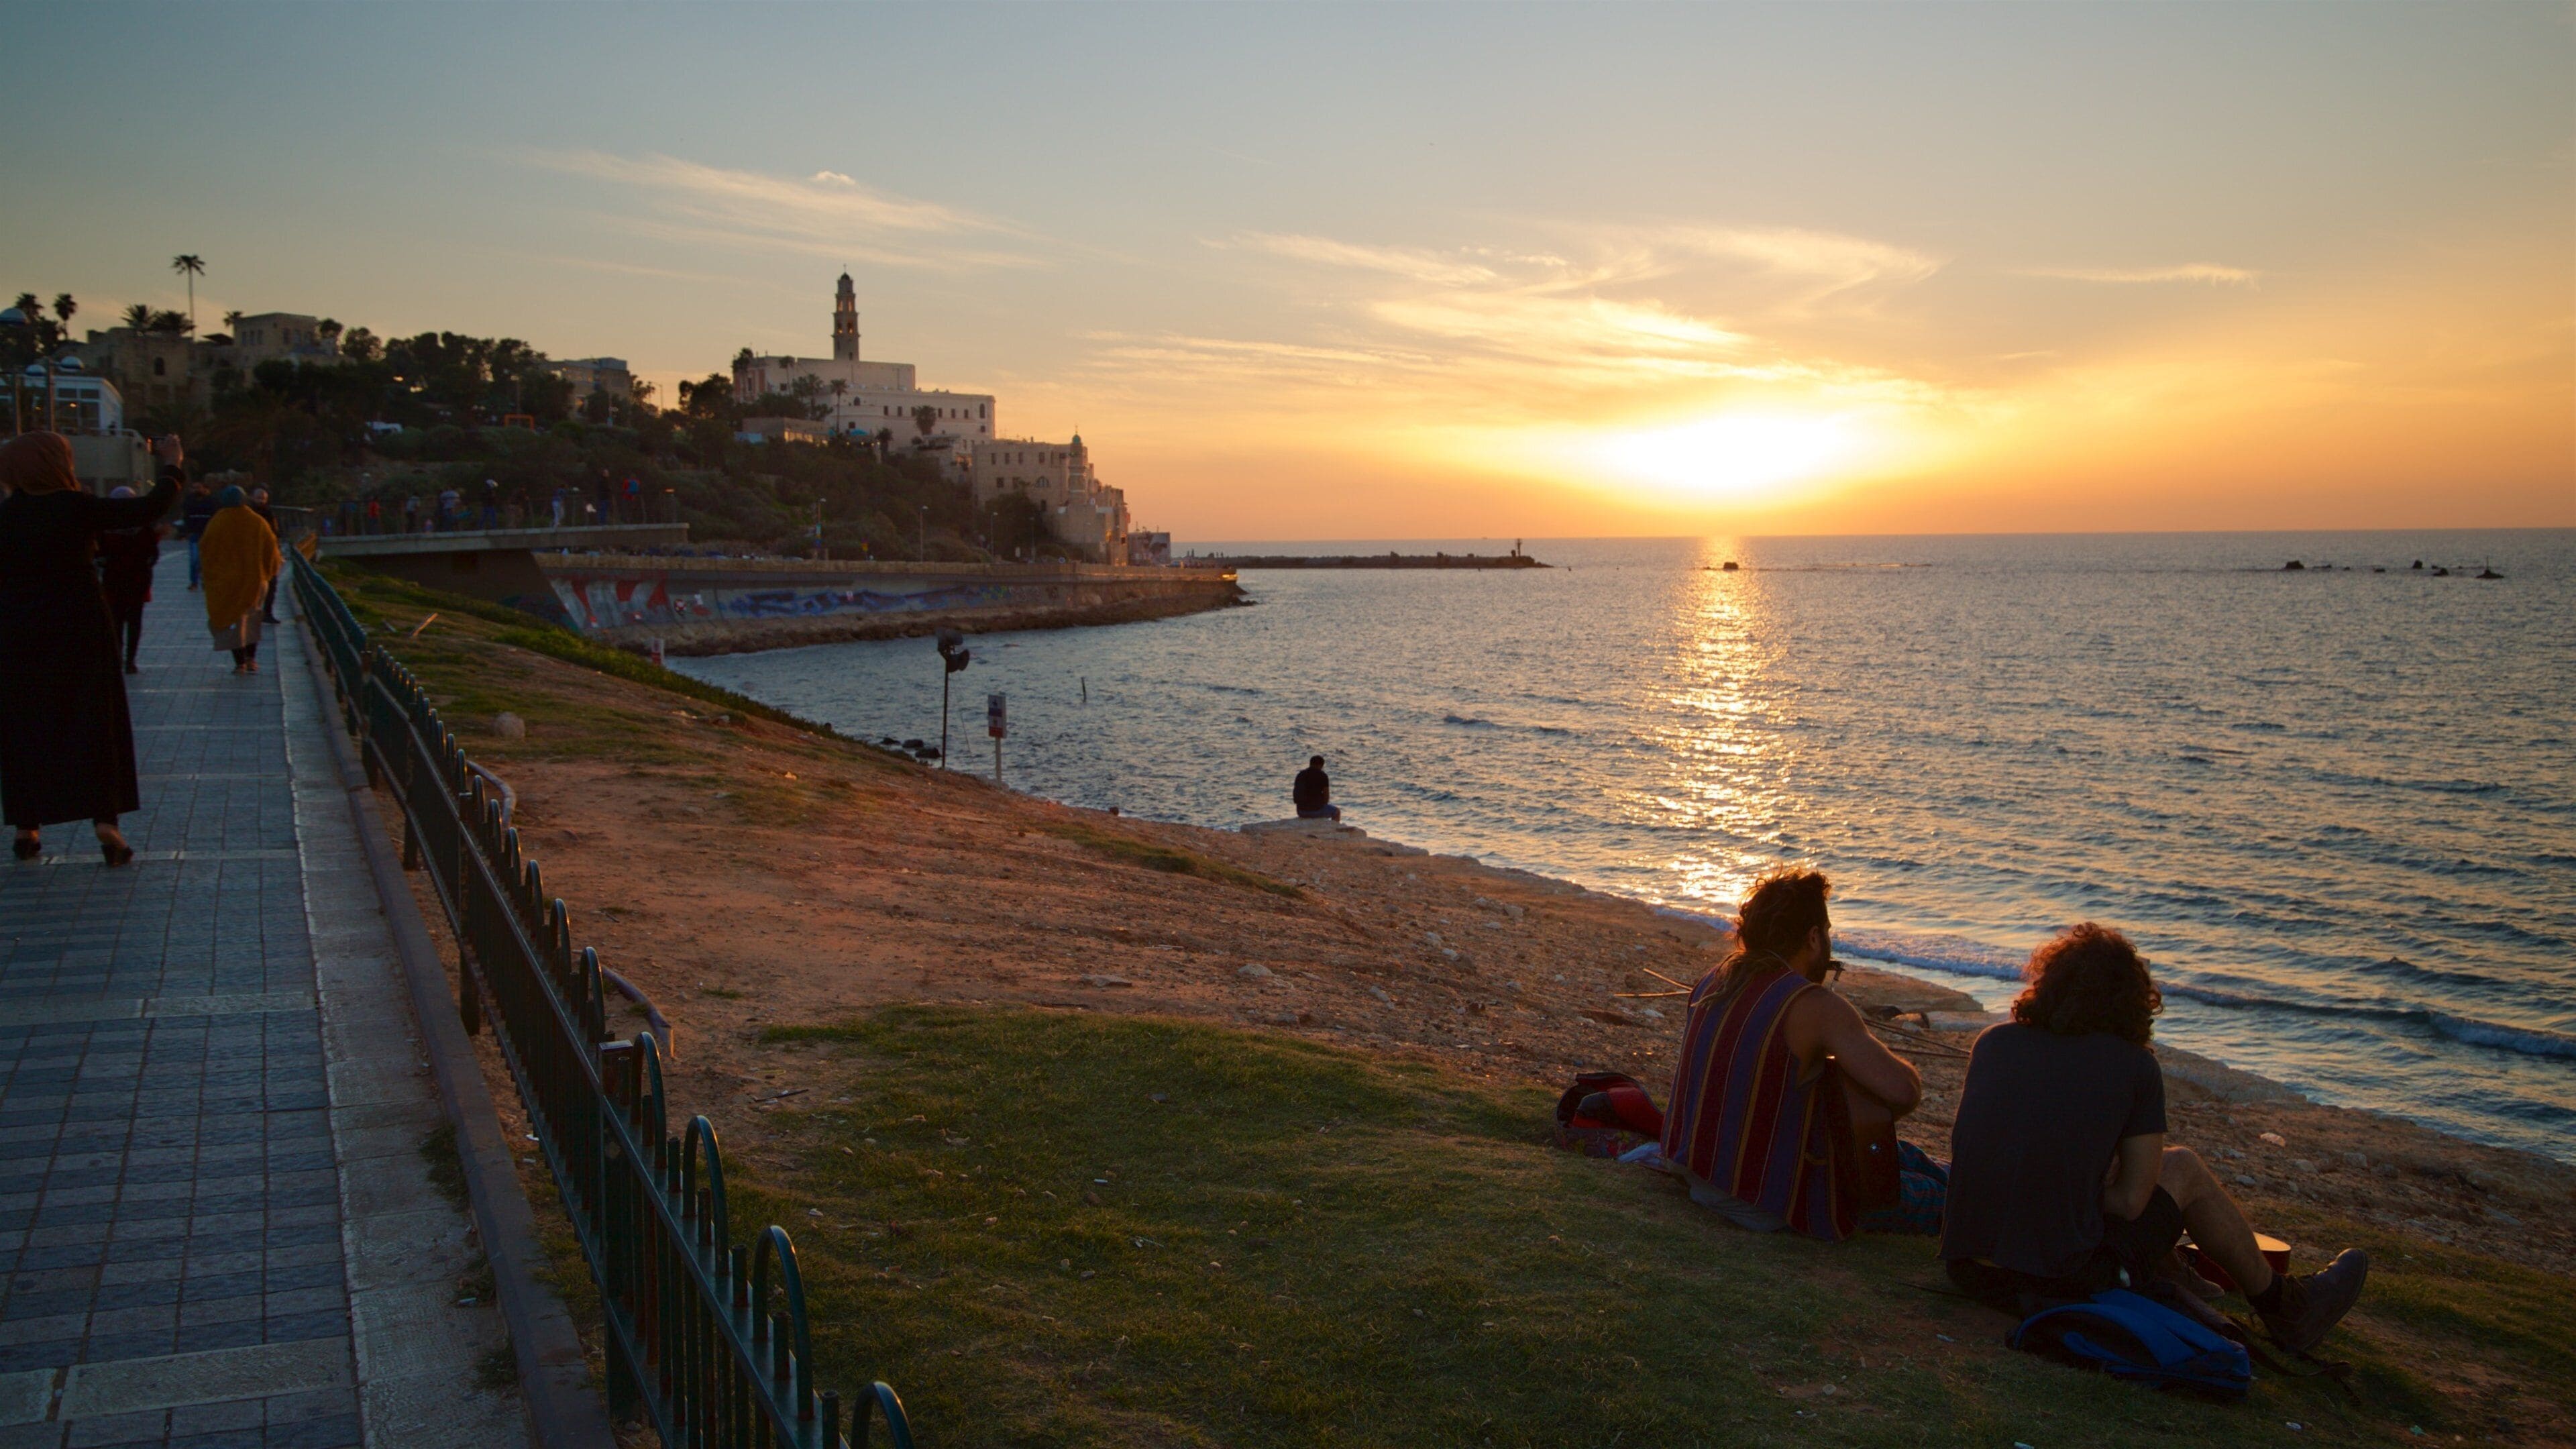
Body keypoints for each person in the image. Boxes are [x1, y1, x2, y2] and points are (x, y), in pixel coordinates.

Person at [1940, 924, 2369, 1352]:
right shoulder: (2134, 1067)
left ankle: (2179, 1271)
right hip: (2048, 1280)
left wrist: (2066, 1185)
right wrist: (2074, 1192)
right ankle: (2285, 1306)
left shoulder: (1993, 1042)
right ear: (2133, 999)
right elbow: (2130, 1203)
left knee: (2093, 1168)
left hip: (1970, 1268)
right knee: (2182, 1167)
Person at [1659, 867, 1937, 1239]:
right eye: (1827, 933)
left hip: (1700, 1175)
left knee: (1913, 1158)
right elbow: (1905, 1092)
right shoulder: (1813, 1004)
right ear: (1813, 937)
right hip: (1764, 1201)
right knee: (1947, 1197)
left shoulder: (1715, 979)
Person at [0, 432, 182, 865]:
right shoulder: (76, 507)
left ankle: (27, 827)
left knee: (26, 724)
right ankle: (106, 825)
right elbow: (147, 508)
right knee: (94, 720)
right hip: (79, 627)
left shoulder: (6, 517)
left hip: (19, 633)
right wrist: (172, 465)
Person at [197, 486, 281, 675]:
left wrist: (209, 577)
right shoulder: (257, 522)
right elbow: (272, 548)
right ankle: (252, 660)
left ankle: (240, 663)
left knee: (234, 622)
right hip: (255, 581)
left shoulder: (217, 523)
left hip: (228, 583)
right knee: (252, 620)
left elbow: (207, 552)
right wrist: (269, 572)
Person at [94, 486, 166, 674]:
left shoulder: (105, 527)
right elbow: (153, 554)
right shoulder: (143, 526)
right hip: (138, 579)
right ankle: (130, 661)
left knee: (116, 621)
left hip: (114, 579)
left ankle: (118, 659)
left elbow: (98, 554)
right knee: (134, 621)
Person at [248, 486, 281, 623]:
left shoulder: (269, 513)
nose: (261, 501)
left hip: (268, 555)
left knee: (272, 585)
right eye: (259, 498)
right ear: (252, 498)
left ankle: (268, 612)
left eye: (263, 499)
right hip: (252, 555)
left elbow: (275, 533)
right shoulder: (248, 514)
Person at [178, 476, 217, 590]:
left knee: (207, 560)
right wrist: (186, 531)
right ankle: (194, 582)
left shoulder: (211, 502)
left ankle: (206, 580)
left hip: (207, 535)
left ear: (204, 489)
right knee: (194, 559)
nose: (196, 490)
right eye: (194, 488)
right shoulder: (188, 502)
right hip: (194, 534)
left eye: (199, 488)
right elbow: (185, 517)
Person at [1293, 755, 1340, 822]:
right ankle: (1333, 830)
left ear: (1310, 764)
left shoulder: (1300, 775)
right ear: (1321, 765)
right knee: (1336, 812)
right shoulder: (1323, 776)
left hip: (1301, 811)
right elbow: (1326, 797)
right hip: (1316, 811)